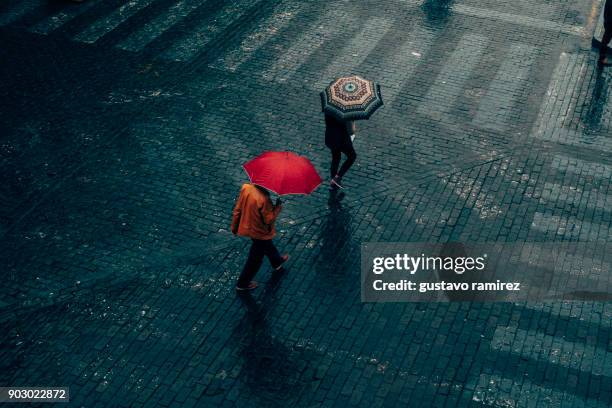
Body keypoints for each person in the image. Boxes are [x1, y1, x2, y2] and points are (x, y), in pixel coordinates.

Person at [231, 183, 289, 291]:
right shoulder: (264, 199)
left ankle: (277, 261)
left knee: (267, 244)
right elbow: (268, 219)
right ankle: (242, 284)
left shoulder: (246, 188)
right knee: (255, 259)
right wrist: (277, 207)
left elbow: (237, 209)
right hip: (260, 232)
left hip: (249, 226)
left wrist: (234, 227)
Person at [324, 113, 357, 189]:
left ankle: (333, 181)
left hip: (331, 137)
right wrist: (353, 120)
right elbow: (351, 131)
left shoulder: (329, 109)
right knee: (352, 156)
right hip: (342, 140)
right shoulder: (347, 114)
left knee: (336, 157)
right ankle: (337, 178)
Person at [600, 0, 612, 66]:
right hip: (610, 23)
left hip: (608, 22)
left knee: (605, 39)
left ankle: (602, 58)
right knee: (606, 40)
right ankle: (602, 58)